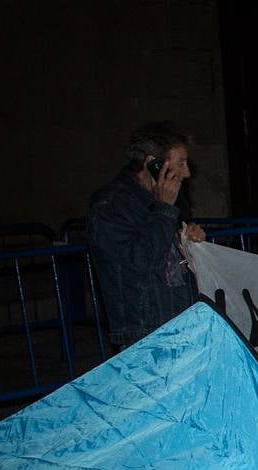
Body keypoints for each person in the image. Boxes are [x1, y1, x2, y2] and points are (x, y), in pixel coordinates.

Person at [86, 121, 207, 350]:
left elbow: (169, 250)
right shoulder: (110, 205)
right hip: (145, 328)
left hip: (182, 316)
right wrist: (163, 211)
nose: (187, 172)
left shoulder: (171, 198)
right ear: (154, 164)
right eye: (181, 163)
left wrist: (189, 239)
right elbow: (139, 260)